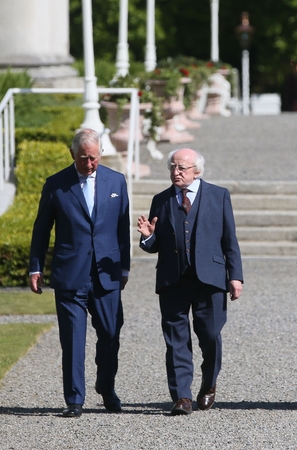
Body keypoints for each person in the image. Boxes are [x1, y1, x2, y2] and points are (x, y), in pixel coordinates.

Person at [28, 129, 130, 418]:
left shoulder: (116, 181)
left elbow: (122, 228)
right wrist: (35, 267)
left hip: (106, 273)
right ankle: (74, 399)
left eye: (94, 158)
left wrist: (124, 267)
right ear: (72, 154)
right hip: (70, 274)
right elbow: (41, 230)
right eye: (84, 158)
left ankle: (106, 387)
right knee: (72, 339)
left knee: (110, 334)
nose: (89, 164)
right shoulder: (56, 184)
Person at [137, 148, 243, 416]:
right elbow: (154, 245)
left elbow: (230, 239)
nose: (176, 172)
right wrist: (148, 237)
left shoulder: (219, 196)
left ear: (197, 171)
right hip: (173, 281)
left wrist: (236, 276)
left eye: (182, 168)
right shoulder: (160, 200)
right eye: (173, 167)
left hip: (210, 280)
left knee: (210, 337)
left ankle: (208, 384)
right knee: (175, 341)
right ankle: (181, 396)